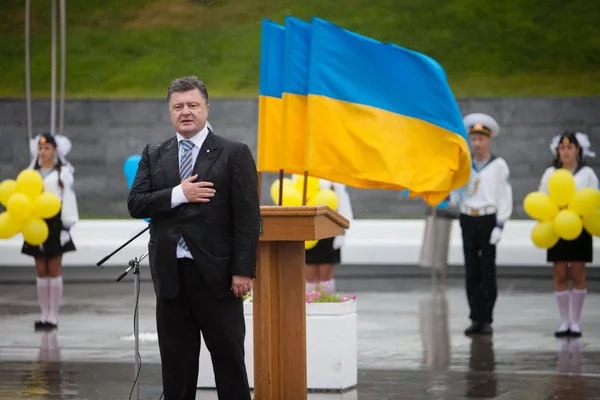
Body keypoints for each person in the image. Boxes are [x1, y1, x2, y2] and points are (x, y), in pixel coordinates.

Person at [128, 76, 260, 400]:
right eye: (178, 106)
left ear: (206, 108)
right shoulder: (154, 154)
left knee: (228, 362)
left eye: (192, 105)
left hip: (217, 278)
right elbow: (136, 203)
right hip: (171, 277)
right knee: (177, 368)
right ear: (169, 111)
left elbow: (248, 218)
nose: (185, 111)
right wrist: (178, 193)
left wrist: (243, 269)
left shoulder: (234, 153)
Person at [450, 113, 513, 336]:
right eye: (473, 139)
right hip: (468, 217)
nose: (477, 143)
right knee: (471, 270)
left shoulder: (498, 166)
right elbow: (457, 191)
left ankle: (486, 317)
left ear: (489, 140)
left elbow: (504, 196)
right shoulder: (464, 164)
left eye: (481, 139)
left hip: (488, 218)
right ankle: (475, 316)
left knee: (487, 270)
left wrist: (500, 225)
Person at [539, 131, 597, 338]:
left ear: (578, 150)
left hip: (580, 227)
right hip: (557, 226)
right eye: (562, 148)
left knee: (578, 273)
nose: (565, 151)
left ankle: (576, 321)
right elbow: (543, 196)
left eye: (569, 147)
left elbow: (594, 198)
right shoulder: (550, 173)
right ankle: (564, 321)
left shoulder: (587, 173)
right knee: (561, 273)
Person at [22, 133, 78, 332]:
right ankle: (43, 314)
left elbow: (69, 199)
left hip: (55, 223)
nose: (43, 152)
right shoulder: (31, 172)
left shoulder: (63, 172)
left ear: (55, 150)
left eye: (47, 148)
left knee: (53, 269)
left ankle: (53, 316)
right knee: (40, 269)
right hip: (36, 222)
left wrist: (66, 227)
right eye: (40, 148)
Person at [298, 177, 353, 294]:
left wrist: (342, 232)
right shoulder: (303, 176)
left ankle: (326, 302)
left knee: (325, 274)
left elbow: (343, 204)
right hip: (309, 229)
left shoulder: (334, 180)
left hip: (329, 230)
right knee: (310, 273)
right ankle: (310, 303)